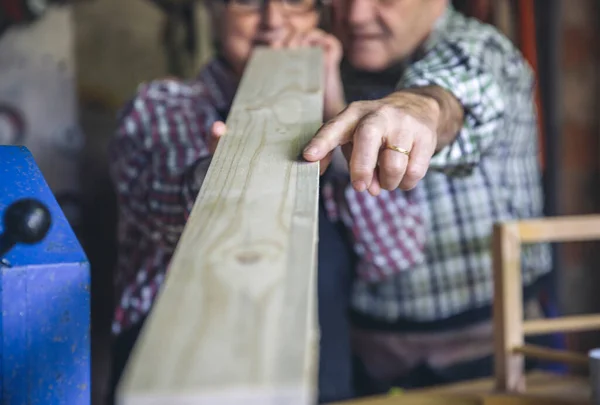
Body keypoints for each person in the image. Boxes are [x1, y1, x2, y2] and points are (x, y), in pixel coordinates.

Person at [208, 0, 553, 396]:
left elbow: (449, 95)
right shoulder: (331, 60)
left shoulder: (480, 49)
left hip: (490, 355)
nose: (356, 15)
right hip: (367, 361)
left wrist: (413, 109)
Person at [106, 0, 356, 403]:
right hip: (180, 377)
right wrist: (218, 173)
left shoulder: (341, 114)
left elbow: (394, 252)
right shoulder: (161, 105)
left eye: (295, 2)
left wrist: (334, 108)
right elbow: (159, 209)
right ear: (213, 11)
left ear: (317, 15)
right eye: (247, 3)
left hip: (317, 377)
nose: (273, 21)